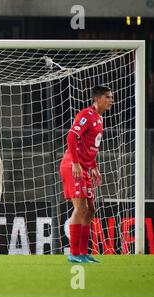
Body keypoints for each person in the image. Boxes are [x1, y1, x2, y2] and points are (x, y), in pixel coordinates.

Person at [60, 85, 113, 264]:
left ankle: (83, 253)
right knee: (81, 207)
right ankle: (74, 253)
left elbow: (90, 145)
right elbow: (71, 137)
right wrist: (76, 163)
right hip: (72, 165)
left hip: (85, 167)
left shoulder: (99, 118)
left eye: (111, 97)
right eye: (107, 97)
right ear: (97, 99)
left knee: (90, 209)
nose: (110, 100)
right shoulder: (86, 115)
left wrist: (94, 166)